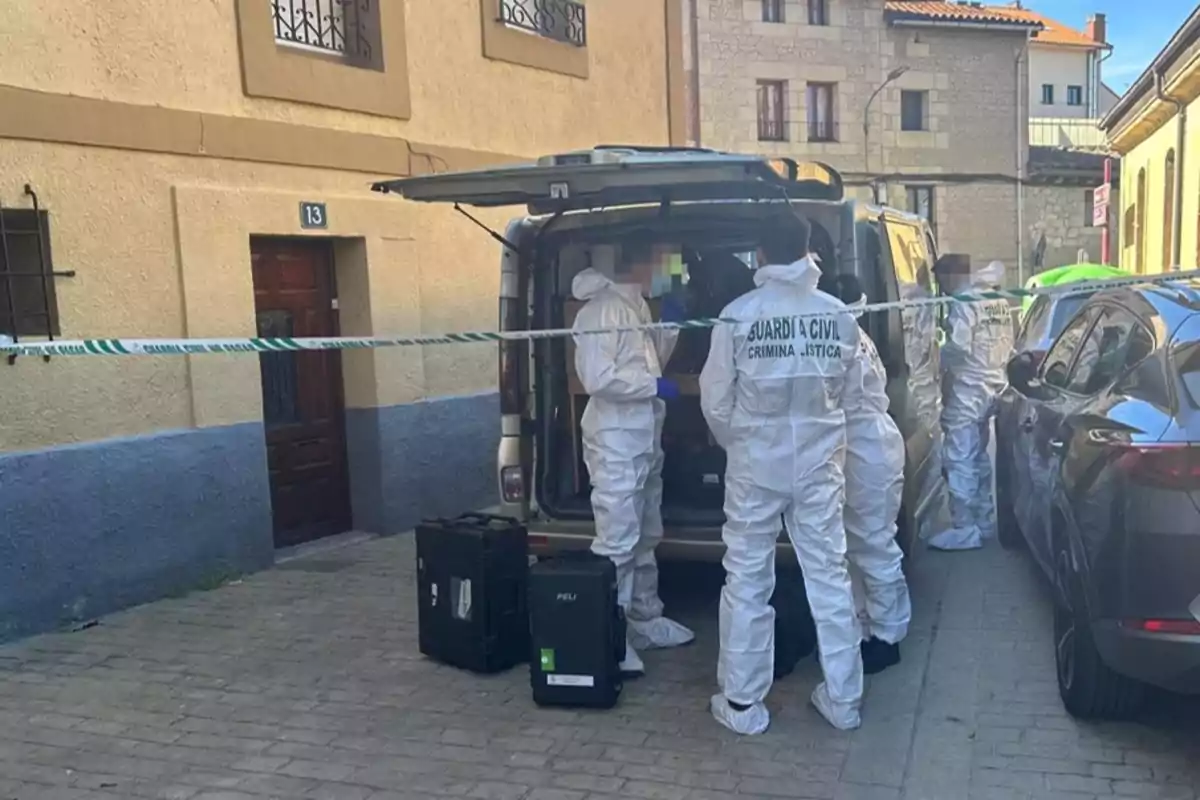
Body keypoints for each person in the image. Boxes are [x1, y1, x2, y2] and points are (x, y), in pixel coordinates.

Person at [700, 212, 864, 734]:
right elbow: (854, 396)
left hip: (755, 467)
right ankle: (844, 700)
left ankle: (744, 704)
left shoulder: (738, 315)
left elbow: (714, 401)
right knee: (830, 577)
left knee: (747, 578)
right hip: (819, 468)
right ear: (808, 250)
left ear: (761, 255)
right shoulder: (837, 315)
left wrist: (743, 444)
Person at [571, 242, 696, 676]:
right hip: (615, 440)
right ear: (642, 264)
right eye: (669, 264)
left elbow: (648, 363)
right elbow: (598, 377)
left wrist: (670, 328)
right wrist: (653, 389)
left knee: (646, 533)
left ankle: (644, 617)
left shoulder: (636, 305)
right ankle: (611, 634)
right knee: (617, 540)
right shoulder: (602, 310)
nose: (674, 272)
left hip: (644, 436)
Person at [819, 273, 912, 674]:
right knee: (857, 547)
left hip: (865, 445)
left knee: (874, 545)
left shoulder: (841, 338)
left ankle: (888, 636)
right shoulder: (856, 333)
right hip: (866, 442)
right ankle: (865, 628)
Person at [928, 257, 1015, 551]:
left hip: (969, 387)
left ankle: (964, 527)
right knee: (978, 456)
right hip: (993, 382)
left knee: (959, 457)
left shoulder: (964, 301)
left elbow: (959, 349)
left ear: (952, 275)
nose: (941, 290)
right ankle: (984, 521)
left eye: (941, 281)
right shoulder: (995, 297)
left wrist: (934, 357)